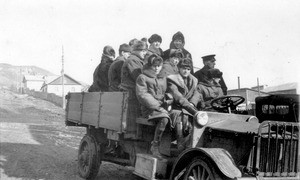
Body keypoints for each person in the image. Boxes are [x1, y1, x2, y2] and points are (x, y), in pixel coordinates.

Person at [136, 54, 170, 158]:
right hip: (148, 109)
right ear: (150, 65)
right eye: (154, 66)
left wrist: (168, 99)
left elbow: (166, 92)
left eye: (159, 66)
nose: (156, 68)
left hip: (161, 107)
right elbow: (143, 95)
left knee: (177, 117)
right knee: (164, 119)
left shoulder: (162, 78)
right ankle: (154, 146)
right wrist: (158, 106)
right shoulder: (142, 77)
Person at [167, 58, 202, 151]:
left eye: (188, 69)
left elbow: (197, 93)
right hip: (176, 109)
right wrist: (192, 109)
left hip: (189, 109)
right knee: (181, 130)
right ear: (178, 68)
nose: (186, 71)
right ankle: (181, 152)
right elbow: (178, 97)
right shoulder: (172, 80)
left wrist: (192, 103)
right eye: (183, 68)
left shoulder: (194, 80)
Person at [119, 40, 148, 138]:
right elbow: (138, 77)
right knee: (132, 118)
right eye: (143, 51)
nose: (145, 53)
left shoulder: (138, 60)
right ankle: (131, 135)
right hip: (130, 93)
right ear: (136, 50)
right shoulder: (132, 60)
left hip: (134, 92)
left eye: (145, 51)